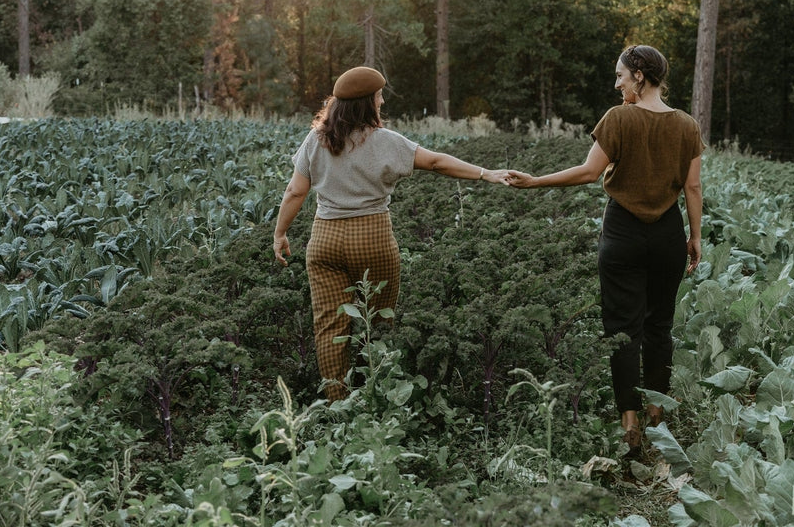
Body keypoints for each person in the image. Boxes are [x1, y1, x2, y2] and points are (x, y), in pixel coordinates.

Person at [507, 45, 702, 455]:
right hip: (668, 233)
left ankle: (628, 425)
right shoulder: (687, 125)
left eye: (620, 76)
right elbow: (693, 187)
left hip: (623, 234)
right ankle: (656, 415)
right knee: (659, 327)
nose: (617, 85)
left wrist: (535, 181)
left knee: (622, 330)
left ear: (639, 76)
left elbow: (589, 173)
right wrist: (695, 237)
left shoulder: (618, 118)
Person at [273, 66, 509, 401]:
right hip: (372, 238)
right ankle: (376, 394)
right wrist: (486, 173)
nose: (382, 100)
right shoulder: (386, 142)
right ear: (367, 103)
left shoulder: (316, 139)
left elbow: (295, 192)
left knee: (329, 327)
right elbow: (438, 163)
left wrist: (280, 234)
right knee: (380, 321)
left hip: (324, 240)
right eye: (379, 95)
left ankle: (336, 404)